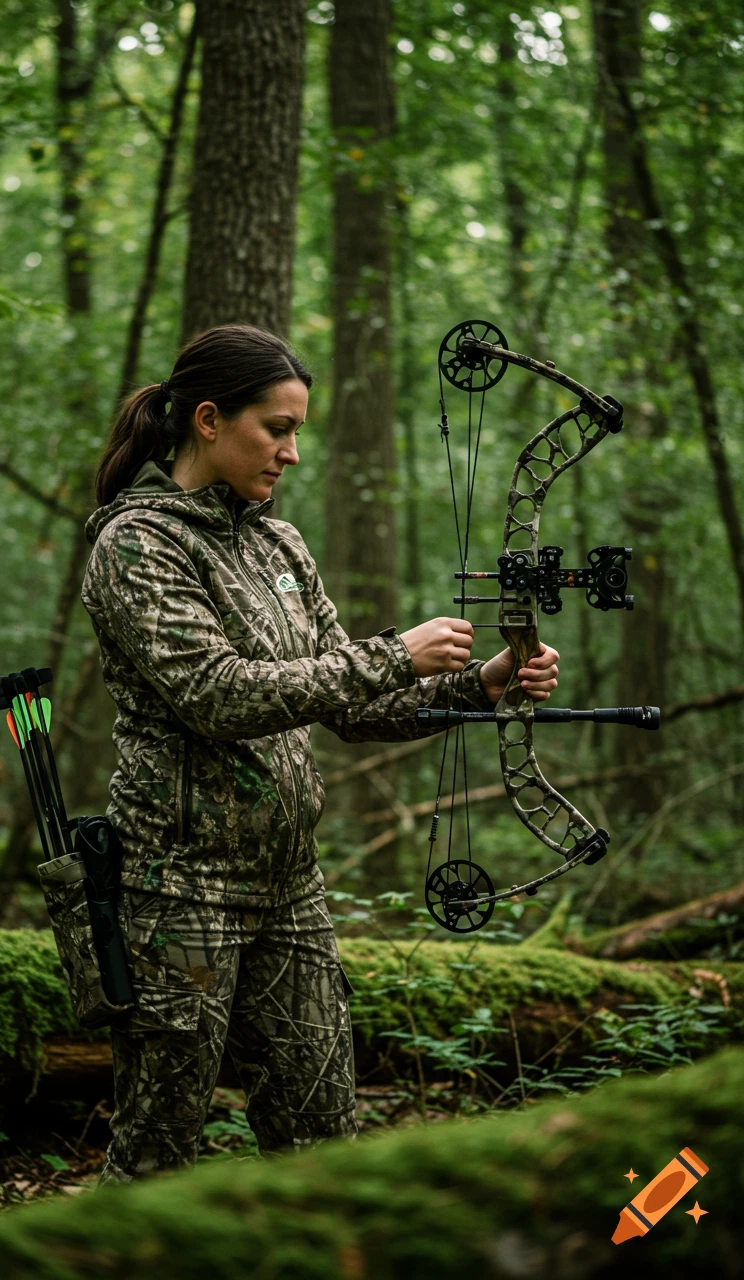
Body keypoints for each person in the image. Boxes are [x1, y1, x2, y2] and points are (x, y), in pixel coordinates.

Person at [80, 323, 560, 1182]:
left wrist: (479, 686)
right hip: (178, 896)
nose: (292, 453)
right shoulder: (138, 544)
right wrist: (393, 653)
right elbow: (218, 694)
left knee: (324, 1145)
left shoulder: (280, 546)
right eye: (277, 429)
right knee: (158, 1152)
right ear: (208, 421)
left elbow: (353, 705)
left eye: (297, 431)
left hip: (289, 891)